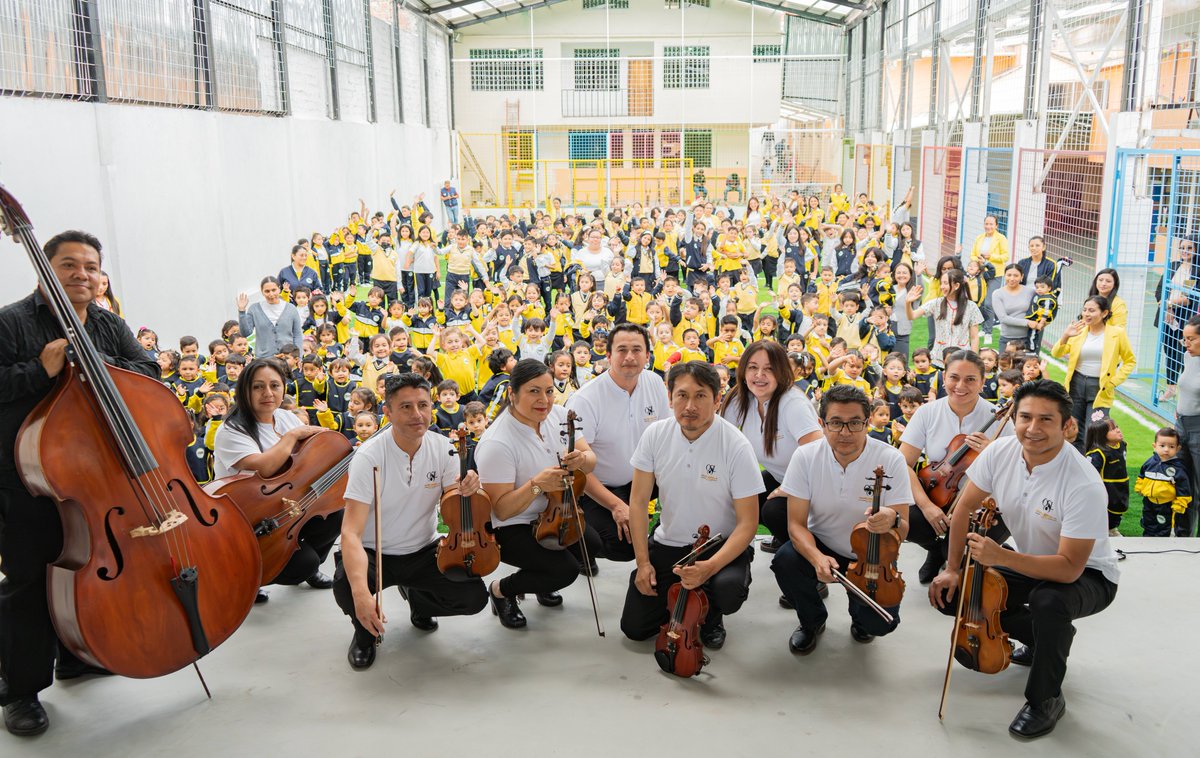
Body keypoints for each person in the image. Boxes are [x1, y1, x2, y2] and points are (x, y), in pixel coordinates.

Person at [0, 231, 159, 737]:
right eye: (69, 265)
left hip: (92, 480)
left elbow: (150, 371)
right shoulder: (11, 323)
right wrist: (38, 371)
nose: (82, 275)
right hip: (27, 481)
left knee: (83, 571)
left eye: (90, 266)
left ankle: (75, 657)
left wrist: (98, 364)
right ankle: (20, 691)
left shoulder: (109, 324)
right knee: (29, 583)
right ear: (46, 269)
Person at [929, 379, 1119, 739]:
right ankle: (1042, 639)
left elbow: (1068, 568)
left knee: (1049, 601)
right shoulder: (999, 452)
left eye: (1046, 420)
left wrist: (1001, 556)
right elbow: (964, 508)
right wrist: (952, 570)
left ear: (1068, 426)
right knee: (957, 593)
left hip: (1088, 576)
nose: (1032, 429)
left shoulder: (1083, 483)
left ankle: (1045, 699)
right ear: (1013, 419)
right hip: (1030, 560)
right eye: (1025, 417)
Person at [333, 373, 488, 671]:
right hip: (374, 552)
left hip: (425, 548)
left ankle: (420, 602)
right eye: (405, 407)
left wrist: (470, 489)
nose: (417, 415)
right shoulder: (368, 457)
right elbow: (350, 533)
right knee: (346, 588)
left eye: (423, 405)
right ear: (387, 412)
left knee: (473, 597)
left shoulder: (444, 448)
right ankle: (364, 632)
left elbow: (450, 505)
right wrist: (362, 596)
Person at [619, 361, 763, 650]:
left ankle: (711, 616)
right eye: (682, 395)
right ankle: (681, 604)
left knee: (727, 591)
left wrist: (709, 567)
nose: (690, 405)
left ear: (717, 399)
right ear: (669, 397)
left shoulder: (736, 445)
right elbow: (637, 502)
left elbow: (748, 523)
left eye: (700, 396)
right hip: (669, 542)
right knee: (634, 628)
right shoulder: (655, 435)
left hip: (718, 546)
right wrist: (643, 562)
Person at [771, 385, 913, 654]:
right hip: (822, 541)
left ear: (868, 422)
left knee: (880, 624)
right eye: (836, 423)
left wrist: (892, 519)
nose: (845, 433)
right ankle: (812, 621)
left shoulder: (891, 459)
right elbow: (796, 525)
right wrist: (815, 557)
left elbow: (904, 529)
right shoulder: (805, 456)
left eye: (855, 423)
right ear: (822, 424)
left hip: (871, 555)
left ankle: (861, 619)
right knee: (785, 560)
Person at [476, 359, 596, 629]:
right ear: (512, 394)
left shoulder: (558, 415)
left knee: (591, 546)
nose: (544, 400)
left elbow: (591, 459)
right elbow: (502, 511)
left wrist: (582, 460)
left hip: (555, 514)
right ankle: (500, 591)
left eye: (549, 391)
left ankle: (539, 579)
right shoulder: (497, 442)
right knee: (564, 570)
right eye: (534, 391)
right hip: (513, 525)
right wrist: (537, 484)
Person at [212, 358, 342, 596]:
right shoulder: (231, 429)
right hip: (249, 516)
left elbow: (307, 459)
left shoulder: (284, 417)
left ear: (283, 388)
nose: (267, 393)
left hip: (285, 503)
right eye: (258, 386)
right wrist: (291, 437)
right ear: (244, 390)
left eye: (274, 385)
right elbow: (265, 468)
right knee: (303, 564)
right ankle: (253, 576)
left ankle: (291, 555)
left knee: (335, 512)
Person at [899, 350, 1013, 584]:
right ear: (943, 378)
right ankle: (935, 547)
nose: (960, 386)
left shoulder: (1000, 419)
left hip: (982, 504)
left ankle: (944, 551)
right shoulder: (927, 412)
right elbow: (904, 464)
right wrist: (927, 506)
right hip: (937, 494)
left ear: (983, 382)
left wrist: (990, 451)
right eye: (954, 377)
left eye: (971, 379)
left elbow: (1017, 471)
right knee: (903, 519)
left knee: (958, 553)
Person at [565, 324, 669, 568]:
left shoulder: (654, 383)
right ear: (609, 356)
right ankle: (578, 546)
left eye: (637, 350)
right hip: (599, 487)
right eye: (622, 350)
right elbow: (577, 468)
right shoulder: (586, 399)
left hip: (643, 479)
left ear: (647, 355)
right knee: (623, 547)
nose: (630, 357)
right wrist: (617, 506)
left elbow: (666, 439)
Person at [719, 340, 822, 551]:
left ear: (781, 372)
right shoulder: (740, 399)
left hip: (816, 484)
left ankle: (807, 558)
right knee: (739, 494)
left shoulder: (793, 403)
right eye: (753, 367)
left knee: (773, 510)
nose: (759, 375)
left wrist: (789, 488)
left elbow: (819, 455)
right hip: (781, 475)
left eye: (769, 369)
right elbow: (720, 441)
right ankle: (740, 551)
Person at [1050, 295, 1136, 453]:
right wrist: (1066, 335)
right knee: (1073, 428)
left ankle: (1092, 464)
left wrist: (1113, 382)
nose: (1087, 314)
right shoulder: (1079, 331)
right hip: (1076, 383)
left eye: (1092, 310)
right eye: (1084, 310)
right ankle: (1073, 461)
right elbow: (1056, 352)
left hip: (1100, 388)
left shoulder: (1117, 333)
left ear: (1104, 313)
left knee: (1095, 429)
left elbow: (1130, 360)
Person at [904, 268, 982, 368]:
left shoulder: (971, 307)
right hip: (938, 360)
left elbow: (974, 337)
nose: (942, 287)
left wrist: (973, 360)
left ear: (956, 285)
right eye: (941, 283)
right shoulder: (936, 303)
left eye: (945, 283)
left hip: (962, 360)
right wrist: (908, 303)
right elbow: (912, 316)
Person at [1134, 428, 1191, 537]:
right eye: (1162, 445)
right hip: (1149, 502)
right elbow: (1142, 475)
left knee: (1164, 526)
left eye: (1171, 447)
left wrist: (1180, 503)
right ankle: (1147, 539)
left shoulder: (1178, 468)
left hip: (1166, 505)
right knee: (1148, 522)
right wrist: (1140, 487)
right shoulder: (1150, 462)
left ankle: (1163, 545)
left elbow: (1184, 488)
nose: (1166, 450)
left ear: (1178, 449)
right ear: (1154, 446)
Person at [1172, 314, 1200, 536]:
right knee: (1183, 486)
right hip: (1181, 425)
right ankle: (1184, 536)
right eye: (1184, 339)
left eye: (1191, 339)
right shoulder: (1188, 356)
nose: (1186, 344)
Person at [237, 277, 304, 359]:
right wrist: (242, 311)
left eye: (274, 290)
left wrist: (299, 357)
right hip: (264, 359)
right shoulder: (254, 309)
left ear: (279, 289)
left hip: (287, 358)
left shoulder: (291, 309)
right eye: (267, 291)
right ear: (262, 292)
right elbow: (245, 333)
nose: (271, 294)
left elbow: (297, 335)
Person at [990, 263, 1034, 354]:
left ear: (1022, 277)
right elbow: (1003, 318)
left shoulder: (1030, 292)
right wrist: (1027, 323)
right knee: (1005, 367)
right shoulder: (997, 294)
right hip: (1007, 339)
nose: (1012, 278)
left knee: (1025, 367)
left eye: (1016, 275)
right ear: (1004, 275)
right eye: (1009, 275)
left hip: (1027, 339)